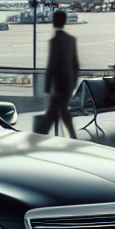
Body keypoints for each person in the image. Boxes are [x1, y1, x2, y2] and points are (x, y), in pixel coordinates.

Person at [43, 9, 79, 138]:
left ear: (53, 22)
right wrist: (73, 83)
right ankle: (73, 136)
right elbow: (76, 65)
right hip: (68, 85)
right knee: (61, 112)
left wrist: (48, 87)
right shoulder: (71, 40)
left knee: (52, 115)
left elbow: (52, 65)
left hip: (58, 87)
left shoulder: (54, 41)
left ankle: (38, 138)